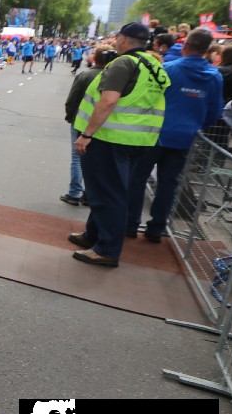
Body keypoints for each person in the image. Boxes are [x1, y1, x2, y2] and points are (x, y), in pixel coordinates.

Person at [69, 23, 170, 268]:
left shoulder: (123, 63)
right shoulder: (153, 64)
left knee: (107, 194)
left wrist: (87, 134)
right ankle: (93, 235)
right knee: (109, 191)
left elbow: (108, 101)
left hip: (111, 139)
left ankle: (106, 249)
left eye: (117, 37)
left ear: (123, 38)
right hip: (139, 140)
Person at [126, 29, 223, 242]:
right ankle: (157, 228)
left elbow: (149, 99)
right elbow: (215, 111)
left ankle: (130, 223)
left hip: (154, 133)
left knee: (137, 178)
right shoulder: (215, 77)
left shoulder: (169, 69)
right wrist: (196, 125)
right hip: (185, 137)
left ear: (185, 46)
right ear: (207, 50)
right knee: (168, 183)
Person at [60, 46, 114, 206]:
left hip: (81, 121)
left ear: (95, 58)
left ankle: (74, 193)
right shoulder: (116, 78)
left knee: (77, 158)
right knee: (97, 160)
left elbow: (72, 99)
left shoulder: (85, 75)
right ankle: (90, 194)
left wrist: (70, 116)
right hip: (103, 124)